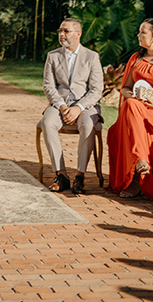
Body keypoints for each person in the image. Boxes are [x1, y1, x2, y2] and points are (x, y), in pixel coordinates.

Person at [39, 18, 104, 195]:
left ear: (78, 34)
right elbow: (48, 86)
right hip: (60, 104)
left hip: (85, 105)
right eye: (60, 31)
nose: (61, 34)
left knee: (88, 125)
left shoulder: (92, 57)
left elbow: (97, 89)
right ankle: (61, 175)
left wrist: (79, 107)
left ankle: (80, 176)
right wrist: (61, 106)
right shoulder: (53, 56)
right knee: (47, 122)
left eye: (66, 31)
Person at [107, 17, 153, 199]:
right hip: (136, 110)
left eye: (143, 32)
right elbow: (126, 89)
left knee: (132, 108)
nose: (138, 35)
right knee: (131, 104)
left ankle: (138, 177)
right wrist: (136, 98)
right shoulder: (136, 59)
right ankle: (140, 162)